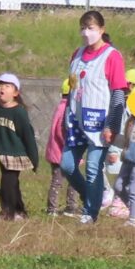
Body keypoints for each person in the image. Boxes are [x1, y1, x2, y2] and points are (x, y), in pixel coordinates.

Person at [58, 10, 128, 225]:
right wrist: (65, 117)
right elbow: (72, 88)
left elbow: (118, 93)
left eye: (91, 29)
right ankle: (91, 195)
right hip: (78, 120)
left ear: (101, 30)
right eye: (83, 28)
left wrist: (112, 124)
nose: (87, 33)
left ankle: (91, 212)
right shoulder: (77, 55)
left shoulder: (112, 56)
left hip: (100, 123)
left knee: (92, 168)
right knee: (67, 165)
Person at [0, 72, 39, 222]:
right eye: (0, 85)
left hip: (16, 153)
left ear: (15, 92)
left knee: (7, 182)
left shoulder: (18, 111)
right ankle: (20, 211)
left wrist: (34, 159)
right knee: (12, 183)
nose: (2, 88)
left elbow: (28, 135)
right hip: (3, 153)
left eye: (7, 86)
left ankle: (8, 212)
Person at [45, 78, 80, 217]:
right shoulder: (68, 108)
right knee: (69, 181)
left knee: (57, 182)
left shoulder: (60, 106)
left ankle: (57, 207)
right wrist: (72, 146)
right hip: (63, 152)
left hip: (55, 152)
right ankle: (66, 207)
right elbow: (62, 130)